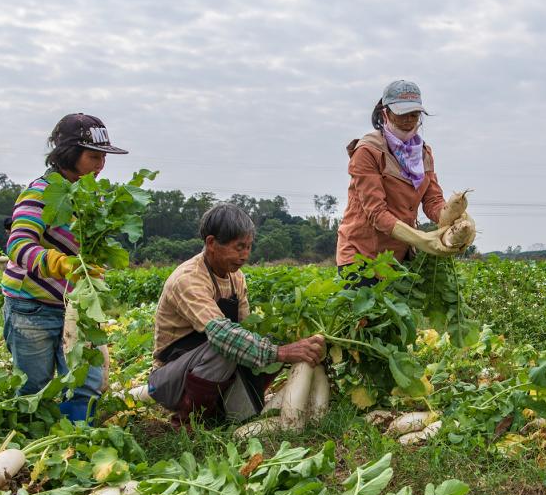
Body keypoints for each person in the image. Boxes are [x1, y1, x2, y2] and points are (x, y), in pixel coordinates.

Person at [138, 203, 324, 429]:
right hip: (169, 379)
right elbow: (223, 335)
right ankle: (187, 423)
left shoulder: (237, 278)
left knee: (260, 343)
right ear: (211, 243)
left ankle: (228, 413)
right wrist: (282, 352)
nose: (245, 255)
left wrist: (283, 345)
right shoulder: (188, 279)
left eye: (248, 247)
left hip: (207, 368)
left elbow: (247, 330)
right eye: (238, 247)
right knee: (227, 346)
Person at [0, 113, 128, 423]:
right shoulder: (40, 192)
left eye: (103, 157)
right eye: (93, 156)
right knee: (35, 387)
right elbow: (18, 246)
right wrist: (58, 262)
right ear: (69, 154)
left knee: (89, 380)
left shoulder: (91, 196)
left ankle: (76, 438)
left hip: (76, 306)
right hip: (31, 306)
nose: (100, 165)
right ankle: (33, 446)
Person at [336, 80, 475, 278]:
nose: (409, 120)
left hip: (400, 258)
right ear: (385, 113)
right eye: (402, 114)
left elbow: (433, 201)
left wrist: (455, 219)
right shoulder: (368, 151)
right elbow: (376, 213)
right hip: (362, 257)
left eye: (414, 114)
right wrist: (423, 240)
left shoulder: (423, 153)